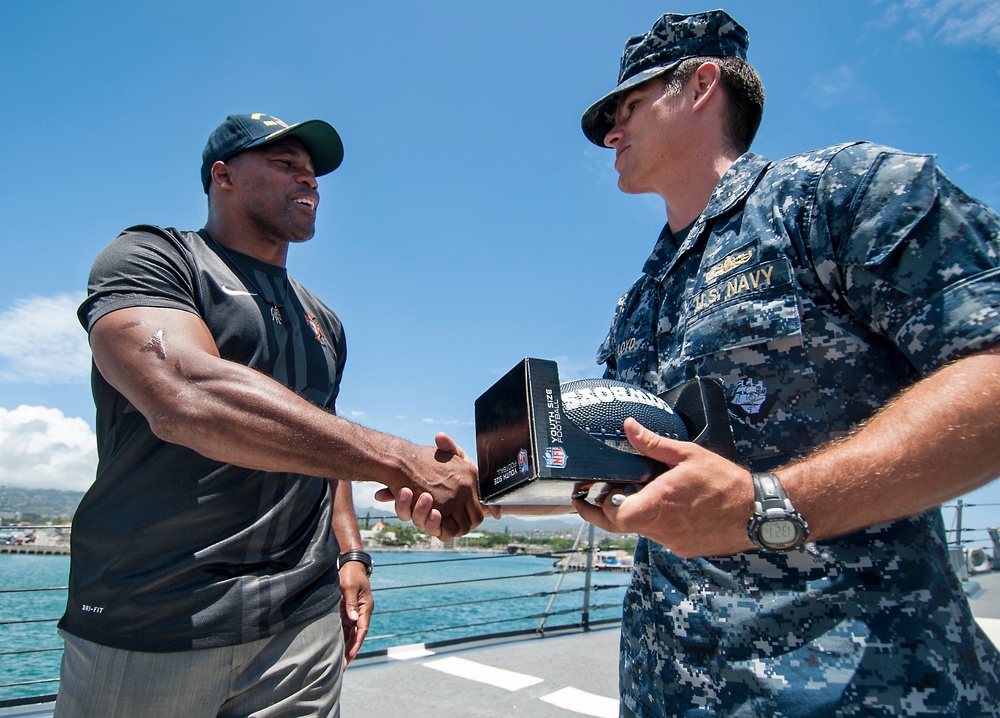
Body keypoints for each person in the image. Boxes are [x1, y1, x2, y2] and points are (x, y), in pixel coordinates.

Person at [570, 10, 1000, 717]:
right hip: (667, 689)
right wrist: (484, 480)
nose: (611, 132)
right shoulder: (638, 300)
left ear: (702, 84)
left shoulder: (839, 197)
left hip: (864, 689)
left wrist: (768, 508)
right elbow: (634, 466)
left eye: (629, 106)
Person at [55, 112, 483, 717]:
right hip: (153, 621)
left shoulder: (323, 320)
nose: (307, 182)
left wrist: (352, 554)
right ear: (223, 176)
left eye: (312, 173)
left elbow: (323, 449)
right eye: (286, 166)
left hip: (300, 630)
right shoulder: (153, 259)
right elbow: (186, 395)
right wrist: (405, 460)